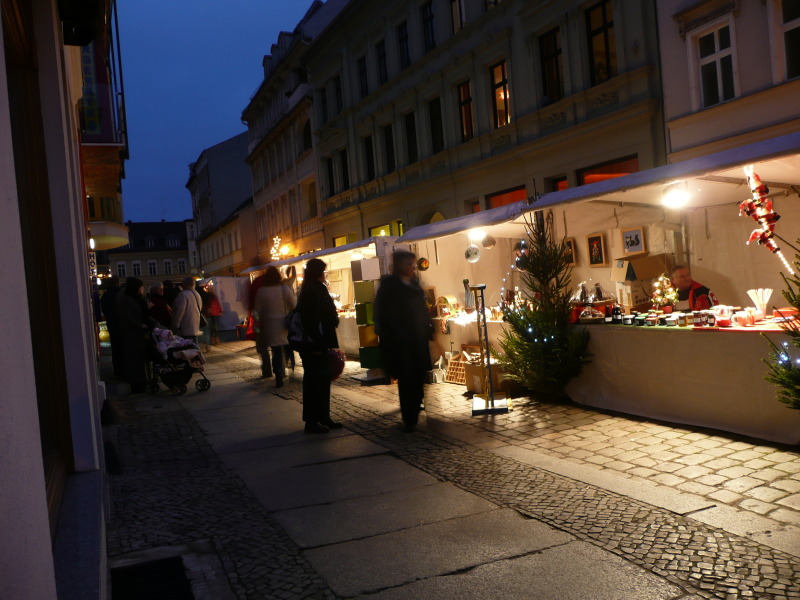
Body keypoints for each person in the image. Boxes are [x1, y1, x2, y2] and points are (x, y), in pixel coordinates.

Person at [374, 250, 433, 432]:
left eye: (413, 264)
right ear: (399, 265)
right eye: (409, 264)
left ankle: (415, 406)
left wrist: (428, 327)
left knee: (418, 376)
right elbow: (382, 314)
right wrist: (392, 335)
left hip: (417, 339)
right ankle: (410, 417)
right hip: (401, 342)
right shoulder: (390, 285)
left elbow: (421, 308)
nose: (412, 268)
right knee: (407, 378)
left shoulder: (414, 283)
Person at [295, 258, 341, 433]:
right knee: (315, 382)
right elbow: (311, 320)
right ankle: (312, 420)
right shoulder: (312, 290)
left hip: (319, 342)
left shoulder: (311, 288)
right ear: (318, 272)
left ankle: (323, 416)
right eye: (323, 271)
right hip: (315, 344)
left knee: (322, 381)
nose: (325, 274)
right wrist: (317, 343)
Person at [254, 266, 296, 386]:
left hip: (270, 326)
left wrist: (259, 324)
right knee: (288, 347)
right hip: (285, 324)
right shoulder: (284, 289)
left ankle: (278, 375)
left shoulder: (262, 291)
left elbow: (257, 309)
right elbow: (293, 304)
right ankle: (290, 369)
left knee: (276, 351)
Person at [115, 277, 153, 393]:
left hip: (137, 334)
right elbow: (127, 316)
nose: (142, 289)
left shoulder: (134, 298)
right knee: (135, 360)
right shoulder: (127, 299)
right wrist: (140, 325)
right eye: (141, 287)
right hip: (132, 334)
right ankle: (137, 385)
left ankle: (141, 382)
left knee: (139, 360)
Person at [100, 276, 124, 380]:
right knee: (124, 349)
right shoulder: (121, 293)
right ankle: (125, 372)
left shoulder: (105, 295)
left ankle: (118, 372)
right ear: (117, 283)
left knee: (115, 350)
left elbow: (104, 310)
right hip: (123, 325)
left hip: (112, 325)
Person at [171, 276, 203, 342]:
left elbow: (180, 312)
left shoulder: (183, 295)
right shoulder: (197, 294)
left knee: (188, 348)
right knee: (195, 347)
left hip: (186, 328)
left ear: (185, 284)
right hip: (195, 326)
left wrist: (175, 325)